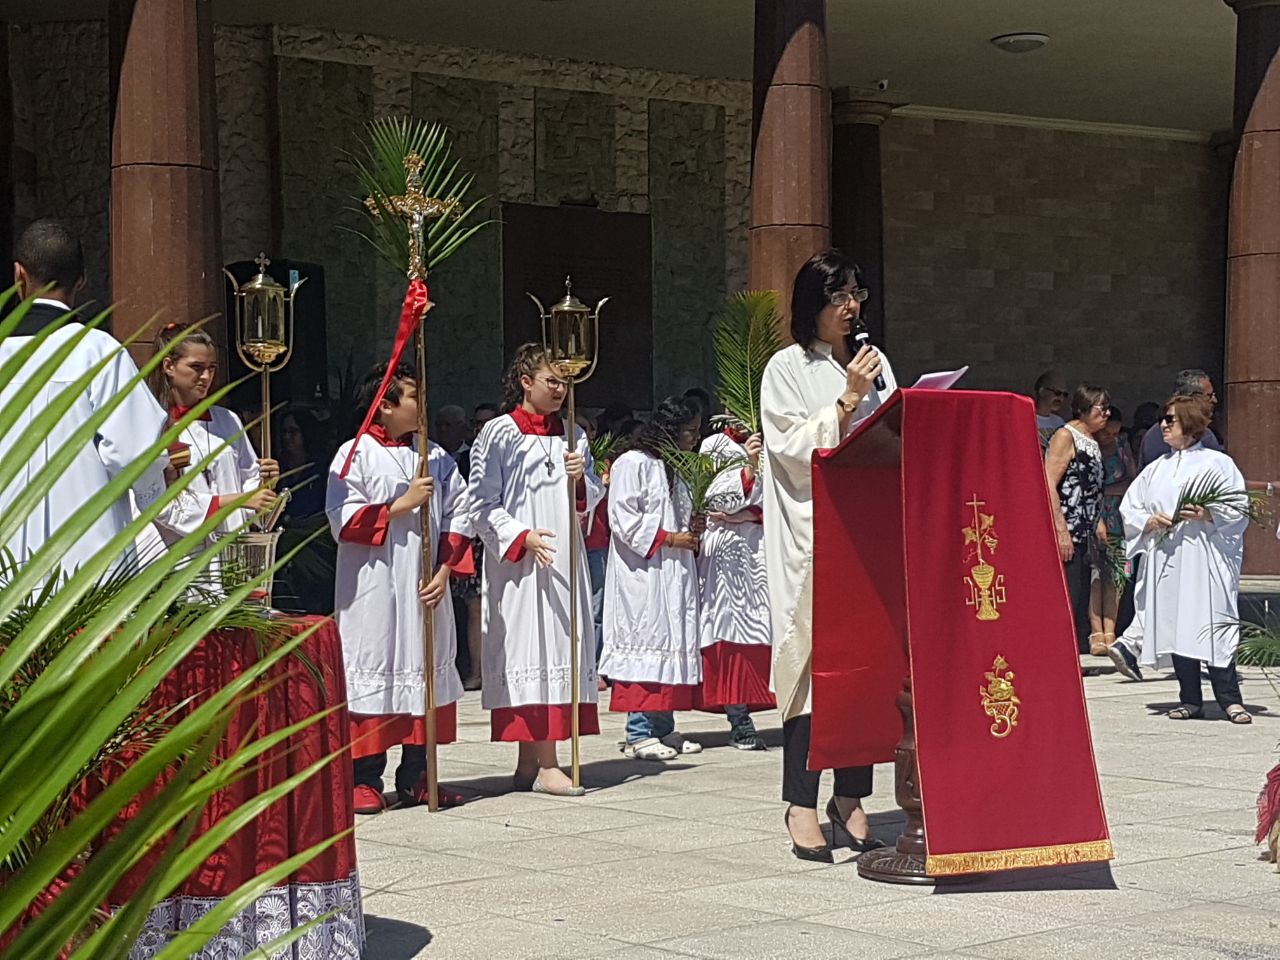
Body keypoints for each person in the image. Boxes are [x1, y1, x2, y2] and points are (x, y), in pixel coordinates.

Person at [760, 248, 893, 863]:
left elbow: (892, 431)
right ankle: (801, 803)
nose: (850, 306)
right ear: (812, 303)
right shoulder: (786, 367)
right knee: (814, 671)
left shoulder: (875, 361)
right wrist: (846, 400)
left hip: (868, 530)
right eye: (838, 295)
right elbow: (789, 448)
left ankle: (851, 797)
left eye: (856, 294)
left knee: (866, 667)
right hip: (813, 536)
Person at [327, 362, 474, 814]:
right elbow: (341, 519)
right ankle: (364, 776)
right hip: (374, 586)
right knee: (377, 669)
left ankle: (417, 775)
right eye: (414, 396)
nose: (422, 405)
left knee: (423, 670)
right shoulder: (354, 454)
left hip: (425, 583)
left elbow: (460, 514)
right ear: (385, 405)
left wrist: (445, 571)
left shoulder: (437, 457)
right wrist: (401, 504)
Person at [467, 344, 604, 796]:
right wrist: (520, 536)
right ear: (526, 382)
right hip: (520, 565)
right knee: (531, 652)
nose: (561, 390)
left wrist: (580, 481)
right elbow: (479, 502)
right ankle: (547, 765)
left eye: (566, 382)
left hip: (564, 556)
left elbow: (589, 501)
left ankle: (531, 762)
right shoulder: (498, 432)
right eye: (553, 381)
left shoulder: (573, 434)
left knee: (559, 648)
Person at [0, 219, 169, 574]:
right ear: (81, 281)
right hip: (85, 568)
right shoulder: (98, 352)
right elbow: (136, 453)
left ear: (18, 276)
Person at [1119, 395, 1251, 723]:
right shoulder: (1156, 469)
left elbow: (1239, 506)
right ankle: (1190, 698)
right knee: (1176, 624)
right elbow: (1131, 506)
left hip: (1205, 558)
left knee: (1212, 623)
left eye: (1170, 420)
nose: (1163, 426)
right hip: (1169, 558)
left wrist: (1209, 513)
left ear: (1190, 424)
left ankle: (1230, 699)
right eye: (1163, 419)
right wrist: (1149, 521)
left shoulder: (1218, 464)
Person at [599, 398, 705, 761]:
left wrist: (694, 525)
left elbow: (679, 512)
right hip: (643, 573)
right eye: (689, 430)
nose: (695, 437)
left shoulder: (677, 466)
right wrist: (671, 538)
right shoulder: (633, 463)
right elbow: (622, 518)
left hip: (675, 570)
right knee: (645, 643)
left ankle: (663, 727)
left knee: (671, 644)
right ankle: (638, 732)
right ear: (669, 430)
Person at [146, 325, 279, 567]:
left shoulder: (228, 420)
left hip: (231, 553)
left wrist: (265, 483)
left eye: (212, 368)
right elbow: (161, 503)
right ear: (169, 366)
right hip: (180, 555)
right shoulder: (151, 424)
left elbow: (247, 480)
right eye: (197, 368)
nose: (206, 377)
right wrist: (239, 499)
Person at [695, 424, 772, 751]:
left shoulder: (774, 439)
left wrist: (753, 515)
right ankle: (739, 719)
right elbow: (717, 501)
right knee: (728, 633)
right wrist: (749, 467)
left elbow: (785, 496)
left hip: (760, 548)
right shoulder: (713, 445)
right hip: (725, 554)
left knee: (763, 630)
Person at [1045, 385, 1110, 657]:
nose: (1106, 414)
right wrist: (1060, 530)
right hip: (1069, 528)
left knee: (1083, 593)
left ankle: (1074, 654)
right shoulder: (1066, 435)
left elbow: (1091, 489)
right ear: (1084, 409)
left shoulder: (1091, 440)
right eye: (1101, 408)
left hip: (1086, 530)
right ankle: (1060, 654)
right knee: (1069, 593)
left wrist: (1098, 520)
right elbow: (1049, 481)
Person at [1088, 405, 1136, 653]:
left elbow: (1133, 481)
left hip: (1119, 519)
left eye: (1115, 433)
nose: (1111, 437)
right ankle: (1096, 631)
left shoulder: (1121, 448)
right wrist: (1106, 492)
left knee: (1117, 577)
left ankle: (1111, 630)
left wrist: (1106, 490)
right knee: (1097, 576)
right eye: (1107, 433)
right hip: (1096, 517)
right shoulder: (1090, 449)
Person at [1138, 370, 1221, 469]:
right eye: (1209, 395)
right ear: (1191, 398)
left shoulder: (1207, 435)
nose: (1214, 400)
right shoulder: (1156, 437)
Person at [1033, 371, 1069, 454]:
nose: (1061, 398)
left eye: (1064, 395)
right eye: (1057, 393)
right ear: (1042, 391)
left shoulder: (1059, 422)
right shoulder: (1025, 419)